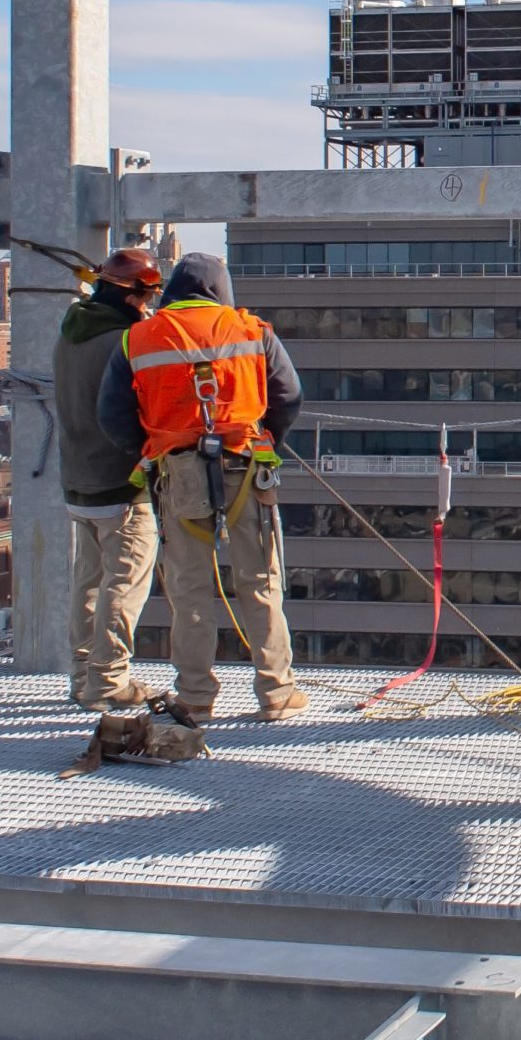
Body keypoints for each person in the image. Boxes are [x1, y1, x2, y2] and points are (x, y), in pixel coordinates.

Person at [98, 254, 309, 722]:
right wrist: (267, 435)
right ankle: (276, 690)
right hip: (247, 467)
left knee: (188, 588)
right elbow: (289, 395)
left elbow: (112, 415)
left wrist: (156, 449)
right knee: (260, 583)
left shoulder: (139, 338)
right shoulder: (252, 331)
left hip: (178, 472)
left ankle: (195, 696)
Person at [52, 247, 162, 710]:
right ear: (133, 295)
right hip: (121, 481)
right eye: (148, 296)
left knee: (90, 581)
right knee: (125, 584)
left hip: (78, 480)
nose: (150, 305)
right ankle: (108, 683)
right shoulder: (126, 341)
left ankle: (83, 677)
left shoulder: (70, 334)